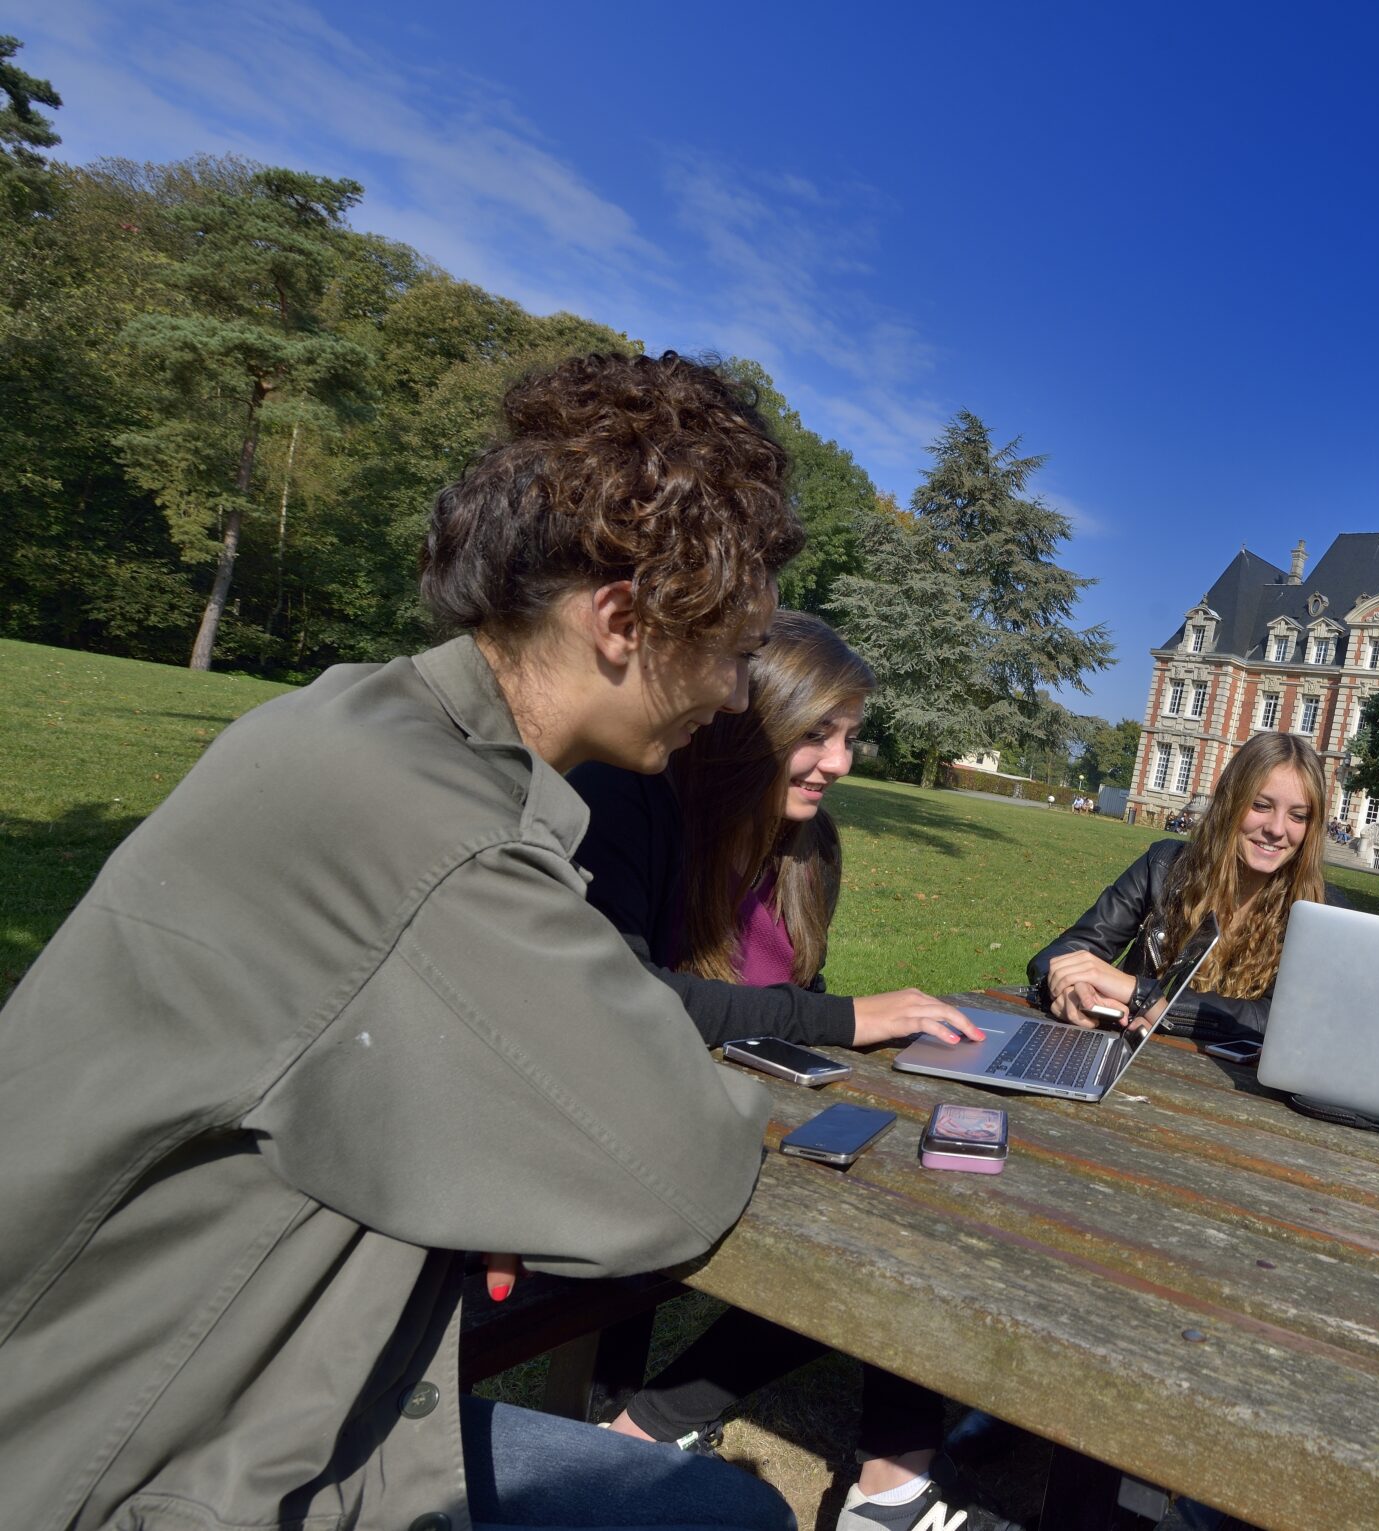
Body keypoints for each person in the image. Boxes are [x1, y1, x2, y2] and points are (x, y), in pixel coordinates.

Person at [0, 352, 804, 1531]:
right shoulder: (441, 832)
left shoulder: (350, 718)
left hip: (145, 1372)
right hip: (144, 1448)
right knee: (727, 1516)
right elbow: (675, 1176)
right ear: (624, 621)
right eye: (734, 649)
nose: (737, 696)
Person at [566, 611, 1008, 1531]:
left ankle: (891, 1486)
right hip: (621, 1118)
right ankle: (652, 1426)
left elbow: (786, 995)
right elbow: (634, 997)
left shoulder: (811, 847)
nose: (841, 761)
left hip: (747, 1108)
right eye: (818, 734)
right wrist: (849, 1018)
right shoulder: (632, 803)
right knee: (883, 1230)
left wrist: (855, 1041)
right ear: (743, 720)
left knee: (923, 1187)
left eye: (849, 737)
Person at [1029, 731, 1339, 1038]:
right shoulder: (1165, 865)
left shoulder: (1321, 911)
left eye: (1298, 816)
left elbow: (1282, 1020)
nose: (1276, 829)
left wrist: (1145, 997)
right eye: (1260, 806)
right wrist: (1069, 988)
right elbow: (1065, 952)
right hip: (1128, 1054)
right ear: (1230, 802)